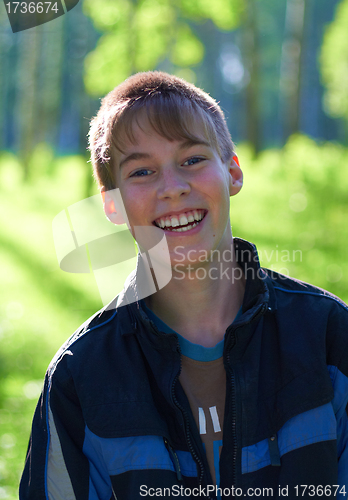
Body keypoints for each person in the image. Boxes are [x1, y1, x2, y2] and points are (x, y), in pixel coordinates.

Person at [20, 71, 348, 499]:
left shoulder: (327, 335)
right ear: (112, 204)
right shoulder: (80, 376)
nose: (172, 189)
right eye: (142, 171)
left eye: (192, 160)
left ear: (232, 172)